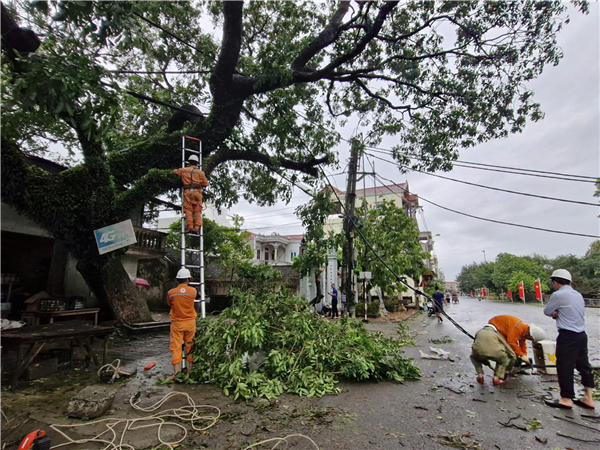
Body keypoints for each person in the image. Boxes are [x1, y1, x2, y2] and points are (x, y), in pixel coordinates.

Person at [543, 269, 595, 410]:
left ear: (555, 282)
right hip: (581, 335)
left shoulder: (558, 294)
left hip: (568, 336)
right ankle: (588, 397)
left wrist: (555, 314)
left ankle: (566, 399)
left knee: (565, 366)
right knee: (584, 366)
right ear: (569, 281)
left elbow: (547, 311)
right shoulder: (577, 294)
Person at [470, 315, 546, 386]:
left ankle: (482, 374)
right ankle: (500, 375)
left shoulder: (524, 330)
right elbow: (511, 342)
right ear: (529, 334)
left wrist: (524, 355)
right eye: (531, 339)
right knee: (504, 353)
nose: (530, 340)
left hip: (501, 329)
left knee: (514, 351)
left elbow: (522, 344)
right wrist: (519, 355)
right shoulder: (517, 328)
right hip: (497, 326)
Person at [166, 268, 197, 379]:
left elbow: (169, 304)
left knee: (176, 348)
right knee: (190, 346)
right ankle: (190, 371)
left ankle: (176, 374)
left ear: (177, 280)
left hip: (177, 323)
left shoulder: (171, 293)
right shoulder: (193, 291)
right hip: (190, 323)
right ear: (187, 280)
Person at [173, 155, 209, 234]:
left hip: (187, 192)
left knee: (188, 209)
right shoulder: (201, 173)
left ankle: (190, 227)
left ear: (189, 162)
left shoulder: (184, 170)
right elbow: (206, 184)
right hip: (197, 192)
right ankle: (196, 228)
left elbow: (175, 171)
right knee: (198, 211)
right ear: (197, 164)